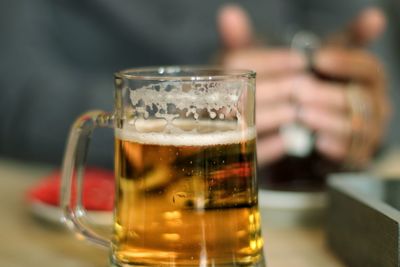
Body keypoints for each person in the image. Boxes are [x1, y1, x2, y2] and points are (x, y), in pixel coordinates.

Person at [0, 0, 393, 174]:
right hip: (90, 198)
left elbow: (381, 71)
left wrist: (352, 103)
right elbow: (11, 87)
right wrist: (179, 112)